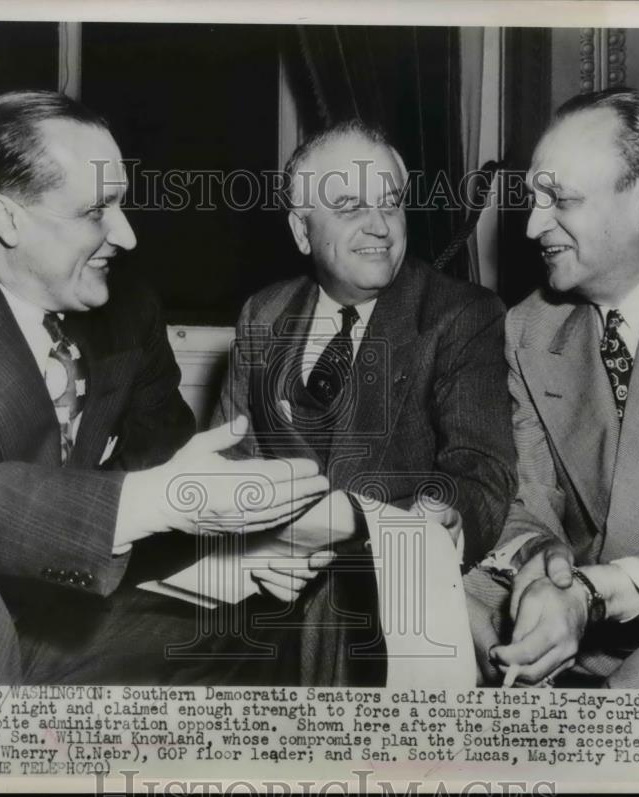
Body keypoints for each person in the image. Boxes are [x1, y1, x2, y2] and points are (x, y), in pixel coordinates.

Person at [0, 90, 327, 762]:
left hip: (51, 615)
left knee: (247, 629)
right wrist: (161, 497)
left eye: (121, 202)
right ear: (5, 217)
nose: (129, 234)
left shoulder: (124, 305)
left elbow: (156, 492)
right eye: (94, 212)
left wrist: (228, 560)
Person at [462, 88, 639, 773]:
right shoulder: (529, 327)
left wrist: (592, 591)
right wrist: (544, 570)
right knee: (429, 577)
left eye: (559, 200)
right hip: (584, 613)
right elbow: (524, 500)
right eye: (533, 200)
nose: (533, 227)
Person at [212, 119, 517, 685]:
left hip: (386, 611)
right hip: (268, 607)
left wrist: (446, 515)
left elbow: (482, 470)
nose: (379, 226)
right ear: (302, 232)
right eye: (351, 206)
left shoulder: (460, 315)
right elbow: (227, 465)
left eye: (392, 203)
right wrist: (254, 552)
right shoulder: (264, 313)